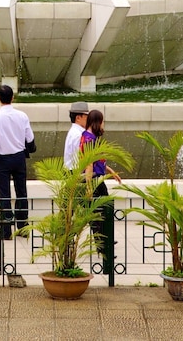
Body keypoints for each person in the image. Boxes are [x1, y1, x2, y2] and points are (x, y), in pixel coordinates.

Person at [0, 84, 35, 240]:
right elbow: (30, 137)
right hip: (19, 157)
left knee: (4, 195)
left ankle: (6, 230)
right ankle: (23, 227)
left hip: (2, 159)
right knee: (21, 192)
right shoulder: (22, 115)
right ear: (13, 98)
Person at [80, 109, 122, 265]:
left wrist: (110, 171)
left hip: (97, 179)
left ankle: (104, 245)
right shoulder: (89, 139)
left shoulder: (88, 137)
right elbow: (89, 165)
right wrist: (89, 187)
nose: (103, 125)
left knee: (102, 212)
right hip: (94, 181)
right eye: (102, 121)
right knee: (99, 214)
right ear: (97, 122)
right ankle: (103, 248)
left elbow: (98, 161)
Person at [63, 101, 89, 171]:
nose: (88, 120)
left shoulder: (73, 131)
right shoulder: (79, 134)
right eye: (86, 117)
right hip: (76, 172)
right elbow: (80, 158)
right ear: (78, 118)